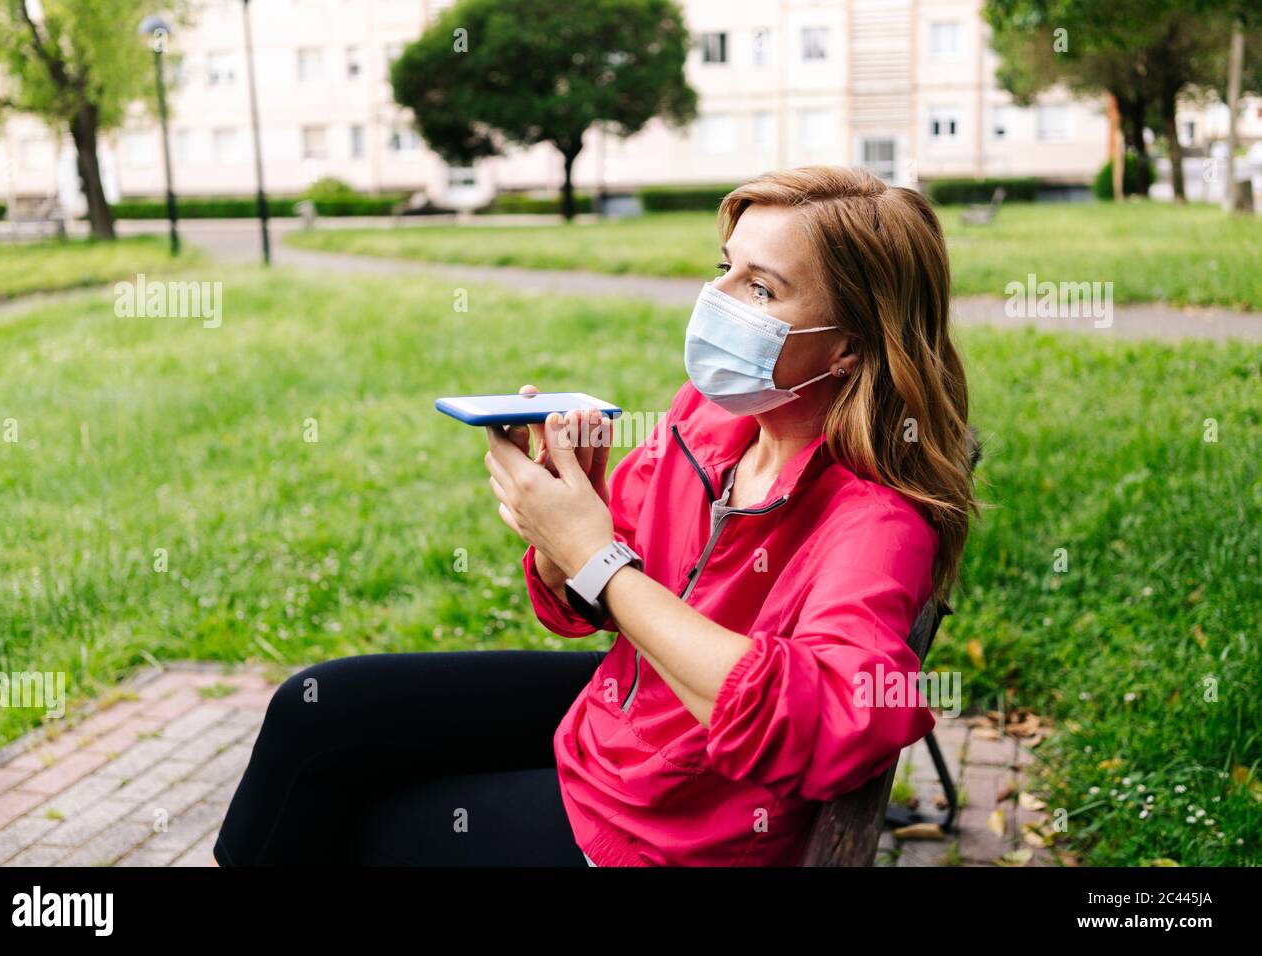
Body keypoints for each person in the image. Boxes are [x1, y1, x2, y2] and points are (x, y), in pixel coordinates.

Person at [213, 165, 978, 867]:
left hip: (669, 824)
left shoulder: (876, 524)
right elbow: (585, 603)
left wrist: (596, 556)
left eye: (761, 290)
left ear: (847, 345)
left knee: (353, 828)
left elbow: (825, 722)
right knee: (314, 714)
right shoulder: (708, 420)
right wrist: (566, 507)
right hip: (621, 724)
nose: (716, 301)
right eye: (725, 269)